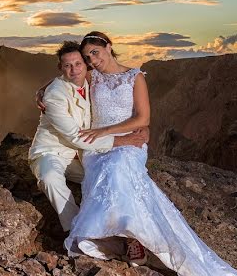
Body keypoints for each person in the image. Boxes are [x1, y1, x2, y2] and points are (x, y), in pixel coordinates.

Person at [67, 31, 237, 276]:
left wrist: (106, 130)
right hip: (99, 146)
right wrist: (41, 93)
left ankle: (133, 238)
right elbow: (65, 80)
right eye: (88, 56)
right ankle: (117, 235)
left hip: (128, 143)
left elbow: (143, 118)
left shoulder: (134, 76)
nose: (93, 60)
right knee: (109, 167)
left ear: (109, 47)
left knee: (119, 166)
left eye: (96, 52)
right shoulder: (92, 77)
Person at [29, 42, 148, 232]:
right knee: (50, 179)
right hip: (52, 152)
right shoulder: (53, 96)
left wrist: (142, 127)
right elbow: (76, 137)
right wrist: (123, 140)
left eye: (78, 64)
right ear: (61, 68)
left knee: (110, 179)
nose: (74, 70)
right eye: (67, 65)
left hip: (81, 154)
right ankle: (76, 229)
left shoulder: (90, 80)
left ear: (86, 65)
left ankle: (121, 228)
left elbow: (140, 114)